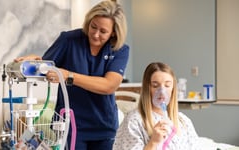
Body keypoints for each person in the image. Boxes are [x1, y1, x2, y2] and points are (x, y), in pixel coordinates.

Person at [14, 0, 129, 149]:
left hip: (104, 125)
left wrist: (70, 76)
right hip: (71, 124)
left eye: (103, 31)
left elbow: (109, 85)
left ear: (114, 32)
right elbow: (46, 66)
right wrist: (33, 61)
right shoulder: (69, 40)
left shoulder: (119, 49)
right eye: (93, 26)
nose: (95, 34)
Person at [113, 62, 200, 150]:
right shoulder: (134, 121)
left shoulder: (183, 121)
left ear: (173, 88)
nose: (162, 91)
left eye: (167, 85)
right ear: (147, 89)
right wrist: (153, 142)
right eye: (155, 86)